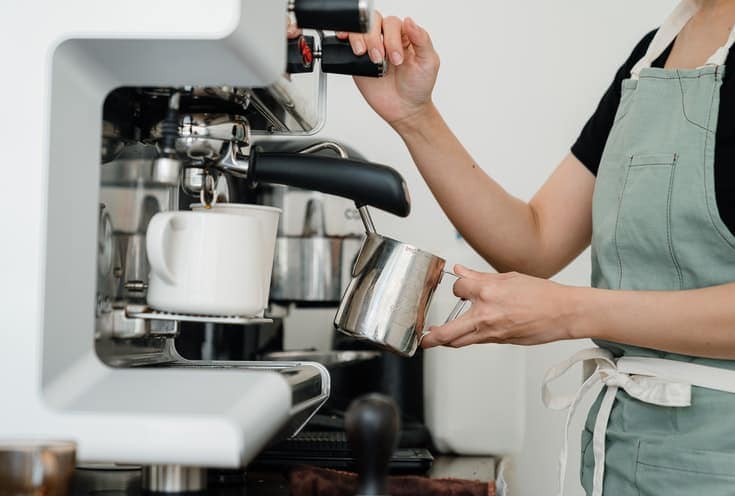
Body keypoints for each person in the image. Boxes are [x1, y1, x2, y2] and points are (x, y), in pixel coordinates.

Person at [294, 0, 735, 494]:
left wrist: (571, 313)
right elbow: (536, 239)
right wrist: (414, 114)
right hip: (624, 457)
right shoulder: (654, 53)